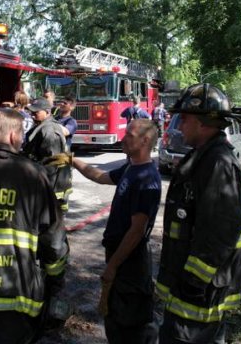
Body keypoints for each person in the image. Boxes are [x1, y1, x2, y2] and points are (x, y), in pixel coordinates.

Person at [156, 83, 241, 344]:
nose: (178, 126)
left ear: (204, 123)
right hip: (194, 286)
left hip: (199, 292)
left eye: (184, 118)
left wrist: (194, 280)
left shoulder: (217, 163)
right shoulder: (204, 157)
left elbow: (220, 231)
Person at [49, 119, 161, 343]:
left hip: (131, 262)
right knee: (115, 315)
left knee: (133, 321)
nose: (123, 139)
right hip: (120, 256)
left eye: (129, 135)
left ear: (145, 140)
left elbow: (136, 231)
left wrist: (112, 266)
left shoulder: (147, 179)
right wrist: (72, 161)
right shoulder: (131, 168)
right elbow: (99, 176)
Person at [0, 107, 69, 343]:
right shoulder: (34, 175)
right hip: (16, 294)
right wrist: (55, 282)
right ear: (13, 136)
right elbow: (54, 239)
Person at [23, 97, 72, 214]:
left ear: (48, 112)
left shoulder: (50, 131)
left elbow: (53, 164)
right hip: (48, 182)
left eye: (36, 112)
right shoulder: (42, 126)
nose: (33, 115)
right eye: (31, 112)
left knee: (50, 219)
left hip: (52, 185)